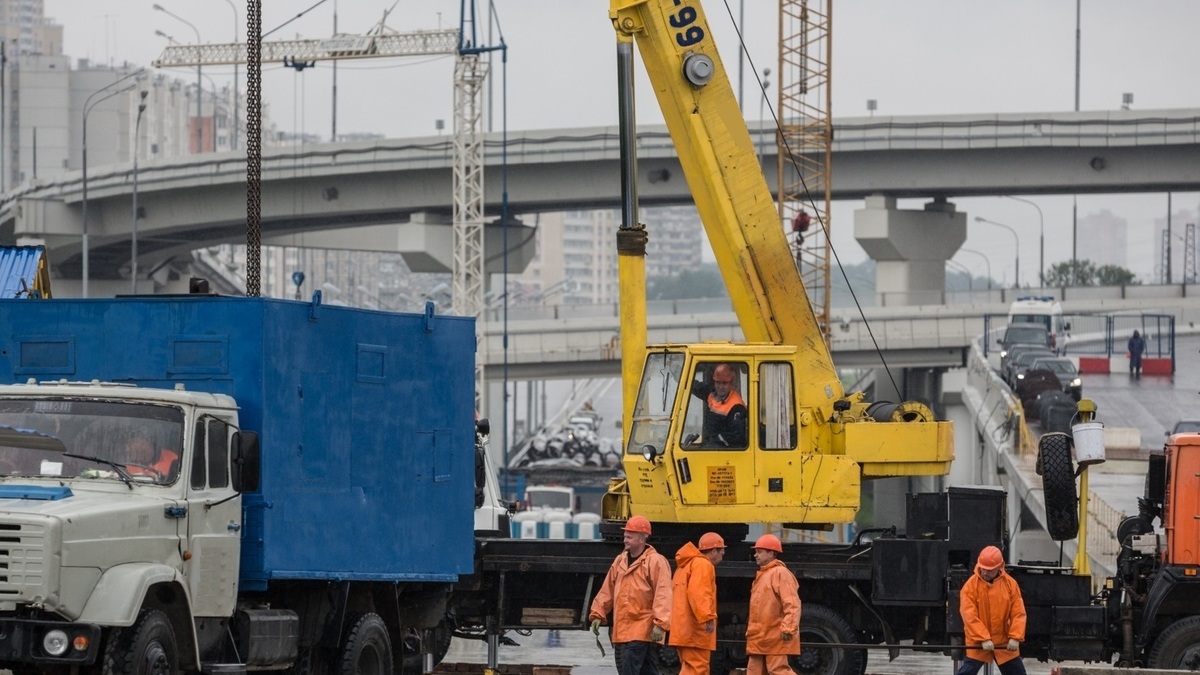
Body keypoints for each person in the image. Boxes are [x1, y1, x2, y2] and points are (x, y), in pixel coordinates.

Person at [589, 515, 672, 675]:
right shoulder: (620, 560)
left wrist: (661, 624)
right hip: (624, 629)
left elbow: (664, 594)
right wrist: (598, 613)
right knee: (647, 671)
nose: (625, 539)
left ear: (642, 538)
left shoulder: (655, 561)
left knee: (629, 670)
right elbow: (608, 590)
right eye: (625, 536)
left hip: (641, 627)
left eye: (629, 536)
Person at [955, 545, 1027, 675]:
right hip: (978, 642)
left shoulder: (1011, 585)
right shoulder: (970, 586)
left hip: (1004, 641)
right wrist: (983, 638)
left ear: (999, 567)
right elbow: (969, 616)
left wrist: (1015, 637)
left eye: (989, 570)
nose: (984, 572)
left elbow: (1018, 613)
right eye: (982, 569)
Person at [668, 532, 726, 675]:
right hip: (695, 631)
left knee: (689, 669)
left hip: (683, 630)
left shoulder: (684, 565)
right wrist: (707, 617)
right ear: (713, 551)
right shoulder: (703, 564)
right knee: (697, 669)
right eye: (721, 553)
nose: (722, 557)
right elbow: (699, 593)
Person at [745, 534, 801, 675]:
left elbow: (792, 604)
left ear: (771, 553)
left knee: (778, 670)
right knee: (755, 671)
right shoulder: (764, 575)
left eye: (759, 552)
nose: (755, 555)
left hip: (773, 636)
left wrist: (788, 628)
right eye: (756, 551)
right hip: (761, 637)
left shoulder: (780, 573)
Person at [689, 364, 748, 448]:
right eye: (718, 382)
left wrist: (712, 443)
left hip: (725, 451)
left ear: (731, 384)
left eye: (724, 383)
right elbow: (696, 387)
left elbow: (736, 437)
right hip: (712, 443)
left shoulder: (737, 406)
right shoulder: (712, 394)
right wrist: (678, 373)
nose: (720, 387)